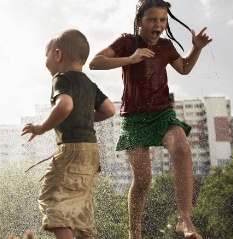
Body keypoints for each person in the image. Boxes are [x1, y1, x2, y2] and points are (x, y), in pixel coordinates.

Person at [88, 0, 212, 238]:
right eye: (152, 20)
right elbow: (95, 63)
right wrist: (130, 59)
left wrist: (196, 48)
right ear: (139, 22)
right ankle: (135, 232)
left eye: (162, 20)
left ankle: (185, 220)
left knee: (182, 149)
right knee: (143, 180)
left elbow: (184, 68)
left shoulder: (165, 47)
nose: (159, 25)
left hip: (162, 113)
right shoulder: (127, 42)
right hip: (134, 118)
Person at [22, 29, 115, 239]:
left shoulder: (61, 79)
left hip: (72, 150)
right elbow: (109, 110)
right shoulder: (89, 84)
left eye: (46, 55)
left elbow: (65, 105)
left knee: (52, 202)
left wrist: (40, 128)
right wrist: (82, 115)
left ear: (57, 55)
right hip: (92, 154)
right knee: (81, 213)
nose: (45, 60)